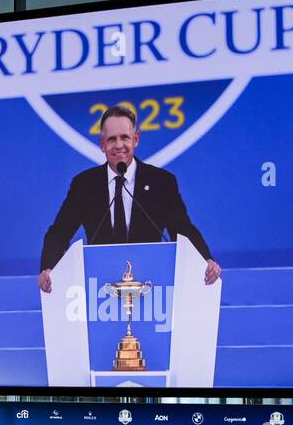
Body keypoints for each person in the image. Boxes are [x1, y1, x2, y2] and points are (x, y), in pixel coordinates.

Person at [38, 105, 221, 293]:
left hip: (152, 286)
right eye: (111, 139)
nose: (118, 145)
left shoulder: (161, 182)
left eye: (124, 137)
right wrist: (48, 267)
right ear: (102, 144)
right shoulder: (84, 185)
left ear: (136, 139)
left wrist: (205, 260)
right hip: (101, 287)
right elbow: (59, 232)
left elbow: (182, 229)